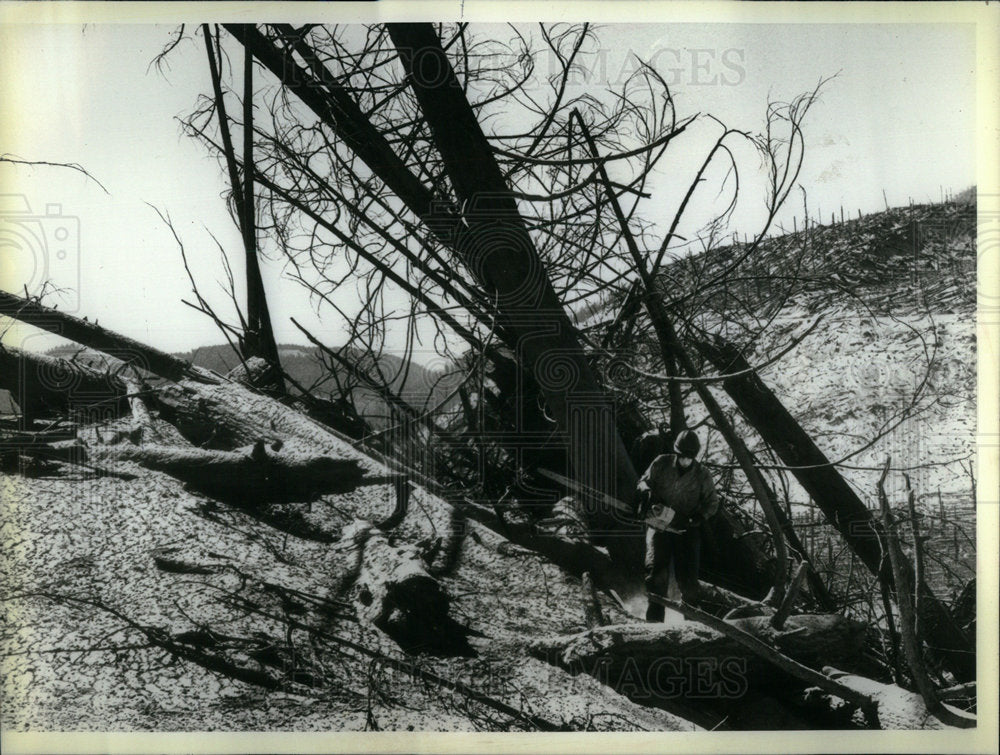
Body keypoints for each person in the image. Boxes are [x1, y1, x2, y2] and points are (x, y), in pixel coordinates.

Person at [633, 429, 719, 622]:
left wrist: (697, 518)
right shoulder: (661, 462)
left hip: (686, 530)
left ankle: (691, 626)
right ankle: (654, 623)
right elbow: (643, 481)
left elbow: (712, 503)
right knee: (656, 577)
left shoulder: (702, 475)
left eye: (689, 457)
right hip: (659, 525)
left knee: (688, 584)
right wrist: (646, 491)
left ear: (694, 456)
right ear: (676, 452)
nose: (685, 461)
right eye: (682, 456)